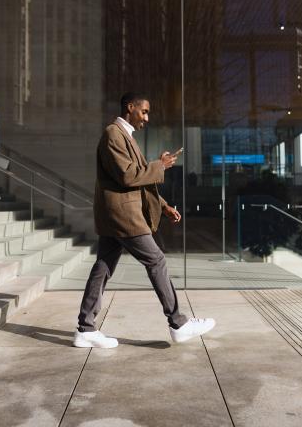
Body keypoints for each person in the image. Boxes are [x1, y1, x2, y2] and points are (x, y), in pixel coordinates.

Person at [73, 92, 215, 349]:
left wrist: (164, 205)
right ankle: (178, 323)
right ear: (130, 108)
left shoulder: (124, 136)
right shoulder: (113, 134)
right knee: (156, 260)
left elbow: (137, 180)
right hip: (123, 216)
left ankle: (85, 328)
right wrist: (159, 166)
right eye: (144, 112)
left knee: (103, 267)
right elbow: (128, 177)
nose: (147, 118)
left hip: (117, 214)